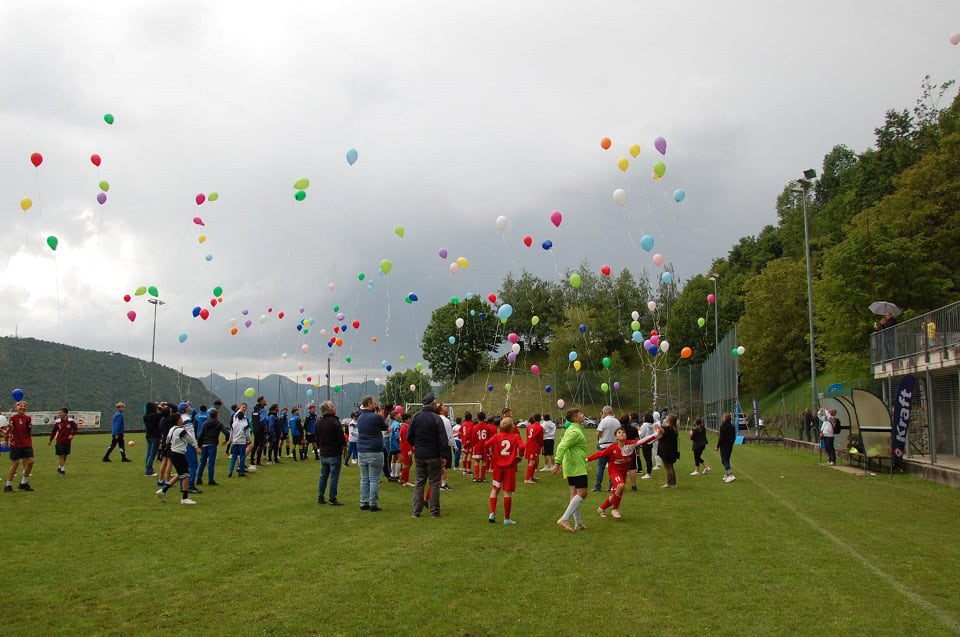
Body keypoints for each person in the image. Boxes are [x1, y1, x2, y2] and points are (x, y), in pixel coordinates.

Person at [588, 426, 655, 520]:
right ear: (616, 437)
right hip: (613, 472)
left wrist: (656, 434)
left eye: (623, 432)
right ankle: (615, 510)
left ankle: (601, 508)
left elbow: (643, 440)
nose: (622, 433)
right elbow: (600, 454)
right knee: (620, 486)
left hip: (623, 473)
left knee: (614, 496)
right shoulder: (612, 448)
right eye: (619, 432)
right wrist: (588, 459)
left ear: (626, 436)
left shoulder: (631, 445)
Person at [407, 395, 448, 518]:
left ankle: (416, 511)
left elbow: (409, 437)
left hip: (419, 454)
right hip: (433, 454)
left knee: (419, 482)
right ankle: (434, 512)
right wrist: (444, 455)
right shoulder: (436, 418)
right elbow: (442, 439)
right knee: (434, 483)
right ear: (433, 404)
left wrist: (418, 445)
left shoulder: (416, 417)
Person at [552, 408, 589, 532]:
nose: (583, 415)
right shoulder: (575, 432)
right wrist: (557, 463)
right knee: (582, 493)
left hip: (571, 465)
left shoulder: (572, 429)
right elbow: (562, 446)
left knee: (574, 495)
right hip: (576, 466)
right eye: (580, 413)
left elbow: (562, 444)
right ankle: (564, 518)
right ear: (575, 418)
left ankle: (578, 523)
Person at [483, 417, 524, 525]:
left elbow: (486, 444)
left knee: (495, 489)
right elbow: (522, 447)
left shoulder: (497, 436)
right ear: (512, 427)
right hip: (509, 468)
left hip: (497, 467)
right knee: (507, 492)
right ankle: (506, 518)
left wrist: (490, 454)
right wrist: (519, 457)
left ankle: (492, 513)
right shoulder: (515, 437)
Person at [155, 413, 201, 505]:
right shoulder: (181, 430)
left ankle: (163, 491)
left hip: (172, 453)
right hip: (178, 453)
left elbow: (168, 440)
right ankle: (185, 498)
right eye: (180, 418)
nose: (182, 419)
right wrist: (196, 448)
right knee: (186, 475)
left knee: (181, 474)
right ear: (178, 420)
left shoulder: (172, 429)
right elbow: (191, 439)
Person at [356, 395, 387, 511]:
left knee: (364, 478)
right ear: (369, 404)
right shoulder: (376, 417)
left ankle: (363, 502)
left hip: (362, 450)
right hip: (374, 449)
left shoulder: (359, 417)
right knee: (374, 478)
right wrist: (381, 416)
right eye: (374, 403)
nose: (376, 405)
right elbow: (385, 428)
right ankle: (373, 503)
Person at [316, 400, 345, 506]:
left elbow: (317, 437)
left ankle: (320, 496)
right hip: (334, 452)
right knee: (334, 476)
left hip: (323, 452)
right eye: (333, 407)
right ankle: (332, 498)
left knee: (323, 475)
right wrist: (343, 446)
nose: (335, 408)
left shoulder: (318, 422)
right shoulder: (335, 421)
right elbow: (341, 437)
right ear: (330, 409)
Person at [4, 401, 34, 492]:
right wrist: (6, 438)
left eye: (24, 406)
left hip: (26, 443)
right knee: (15, 463)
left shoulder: (28, 418)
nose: (23, 407)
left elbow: (28, 432)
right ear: (16, 408)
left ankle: (24, 483)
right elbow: (8, 431)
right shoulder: (13, 418)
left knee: (31, 461)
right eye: (21, 406)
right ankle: (8, 485)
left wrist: (30, 428)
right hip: (16, 444)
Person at [196, 407, 230, 486]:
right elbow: (227, 433)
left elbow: (201, 435)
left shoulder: (205, 423)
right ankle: (210, 480)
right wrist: (226, 440)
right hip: (212, 445)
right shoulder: (219, 423)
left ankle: (198, 479)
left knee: (202, 462)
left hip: (204, 444)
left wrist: (199, 446)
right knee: (211, 463)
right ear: (217, 415)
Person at [593, 406, 618, 491]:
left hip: (604, 446)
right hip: (613, 446)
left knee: (600, 467)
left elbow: (598, 433)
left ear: (605, 412)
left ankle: (597, 486)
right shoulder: (617, 421)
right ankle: (611, 486)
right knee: (613, 468)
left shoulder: (604, 421)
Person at [48, 407, 78, 475]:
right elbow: (54, 431)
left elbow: (75, 429)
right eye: (59, 412)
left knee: (65, 455)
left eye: (60, 412)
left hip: (67, 441)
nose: (59, 413)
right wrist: (50, 440)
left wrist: (72, 435)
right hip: (59, 441)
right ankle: (62, 470)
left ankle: (60, 467)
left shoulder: (71, 421)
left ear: (65, 413)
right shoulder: (57, 422)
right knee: (61, 455)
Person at [471, 412, 497, 482]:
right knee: (484, 462)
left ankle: (476, 477)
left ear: (478, 417)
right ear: (485, 417)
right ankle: (482, 477)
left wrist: (473, 445)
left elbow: (473, 438)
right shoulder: (487, 427)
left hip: (477, 446)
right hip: (485, 446)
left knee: (477, 461)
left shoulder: (475, 427)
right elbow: (489, 437)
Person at [656, 414, 680, 489]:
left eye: (667, 417)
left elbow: (658, 436)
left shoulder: (666, 429)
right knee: (671, 467)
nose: (666, 418)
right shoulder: (674, 429)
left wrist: (657, 429)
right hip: (671, 450)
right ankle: (673, 483)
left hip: (665, 450)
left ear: (669, 420)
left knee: (668, 467)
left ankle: (670, 483)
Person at [227, 403, 251, 478]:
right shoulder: (244, 424)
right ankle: (240, 472)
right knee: (242, 457)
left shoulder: (234, 424)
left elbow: (231, 432)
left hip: (235, 442)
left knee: (234, 457)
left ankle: (230, 471)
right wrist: (249, 440)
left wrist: (230, 440)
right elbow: (247, 434)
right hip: (242, 442)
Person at [438, 403, 456, 489]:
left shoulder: (436, 418)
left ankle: (438, 483)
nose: (447, 409)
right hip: (445, 445)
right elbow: (450, 435)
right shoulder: (446, 420)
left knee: (439, 465)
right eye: (444, 407)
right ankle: (443, 484)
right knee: (444, 465)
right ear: (441, 410)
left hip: (437, 445)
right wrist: (455, 446)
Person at [523, 414, 544, 484]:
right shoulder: (540, 428)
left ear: (534, 419)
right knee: (532, 462)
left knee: (533, 461)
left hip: (529, 444)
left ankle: (531, 476)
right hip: (533, 446)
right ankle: (527, 479)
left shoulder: (529, 427)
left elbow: (527, 435)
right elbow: (540, 439)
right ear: (540, 419)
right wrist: (541, 446)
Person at [716, 413, 737, 482]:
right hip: (730, 445)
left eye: (723, 417)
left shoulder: (722, 426)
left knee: (724, 460)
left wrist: (717, 446)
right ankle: (727, 474)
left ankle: (730, 474)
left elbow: (721, 438)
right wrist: (731, 443)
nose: (722, 418)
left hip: (724, 446)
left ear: (725, 418)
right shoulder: (732, 426)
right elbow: (734, 436)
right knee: (727, 460)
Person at [143, 401, 161, 477]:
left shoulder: (145, 416)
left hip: (148, 435)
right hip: (155, 436)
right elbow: (163, 414)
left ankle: (148, 468)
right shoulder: (156, 415)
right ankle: (148, 470)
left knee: (149, 453)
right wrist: (160, 407)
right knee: (153, 454)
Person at [399, 412, 414, 486]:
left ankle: (402, 478)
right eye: (409, 418)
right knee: (406, 464)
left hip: (406, 447)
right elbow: (405, 440)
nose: (410, 419)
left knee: (409, 463)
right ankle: (405, 481)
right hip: (406, 448)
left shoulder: (406, 427)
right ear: (406, 420)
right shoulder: (404, 428)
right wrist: (409, 450)